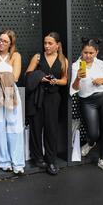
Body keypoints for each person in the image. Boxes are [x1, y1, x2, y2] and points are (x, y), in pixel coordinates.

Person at [25, 32, 69, 175]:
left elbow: (65, 80)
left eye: (50, 43)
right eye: (45, 43)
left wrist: (56, 81)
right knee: (36, 128)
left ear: (57, 45)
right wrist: (41, 77)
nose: (47, 46)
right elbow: (28, 75)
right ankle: (38, 158)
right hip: (38, 97)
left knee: (51, 129)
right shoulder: (37, 57)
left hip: (53, 98)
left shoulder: (63, 60)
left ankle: (51, 160)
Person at [70, 38, 103, 172]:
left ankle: (102, 159)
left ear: (96, 52)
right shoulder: (75, 66)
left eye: (91, 53)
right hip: (88, 101)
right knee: (93, 133)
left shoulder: (100, 63)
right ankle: (90, 143)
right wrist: (78, 77)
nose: (88, 56)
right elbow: (73, 89)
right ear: (81, 52)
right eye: (85, 52)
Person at [0, 30, 25, 174]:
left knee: (14, 128)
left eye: (5, 41)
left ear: (11, 43)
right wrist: (4, 76)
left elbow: (16, 77)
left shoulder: (15, 56)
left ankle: (17, 163)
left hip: (11, 92)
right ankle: (3, 161)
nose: (1, 43)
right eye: (0, 40)